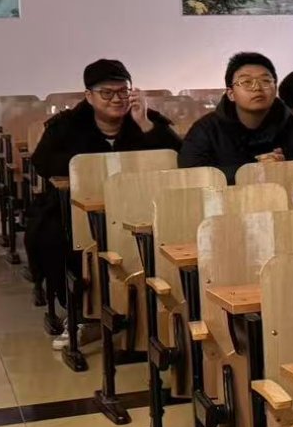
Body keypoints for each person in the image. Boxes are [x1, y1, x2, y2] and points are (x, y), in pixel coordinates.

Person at [25, 59, 182, 343]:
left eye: (123, 91)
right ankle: (81, 311)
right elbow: (43, 162)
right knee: (52, 236)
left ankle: (151, 311)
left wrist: (145, 125)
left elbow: (179, 158)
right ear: (89, 96)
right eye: (107, 93)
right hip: (77, 207)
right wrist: (91, 168)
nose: (117, 99)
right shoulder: (66, 125)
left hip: (138, 206)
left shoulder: (147, 120)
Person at [177, 51, 293, 181]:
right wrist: (253, 171)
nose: (257, 87)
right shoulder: (207, 130)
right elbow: (190, 174)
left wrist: (286, 167)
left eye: (265, 81)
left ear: (275, 88)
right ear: (231, 93)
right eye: (246, 82)